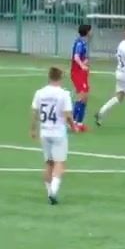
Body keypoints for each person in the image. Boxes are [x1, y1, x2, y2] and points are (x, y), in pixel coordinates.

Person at [30, 67, 74, 205]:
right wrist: (73, 126)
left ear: (49, 77)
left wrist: (33, 129)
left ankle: (49, 192)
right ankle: (54, 192)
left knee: (49, 163)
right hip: (58, 132)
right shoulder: (63, 94)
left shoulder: (39, 93)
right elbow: (67, 114)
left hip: (45, 132)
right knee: (59, 163)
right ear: (60, 78)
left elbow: (35, 112)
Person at [70, 23, 92, 131]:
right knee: (82, 97)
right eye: (90, 30)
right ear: (87, 31)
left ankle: (79, 123)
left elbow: (82, 57)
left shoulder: (84, 42)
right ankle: (73, 122)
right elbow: (76, 57)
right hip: (77, 73)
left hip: (82, 74)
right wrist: (82, 65)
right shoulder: (79, 43)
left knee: (85, 98)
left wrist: (86, 61)